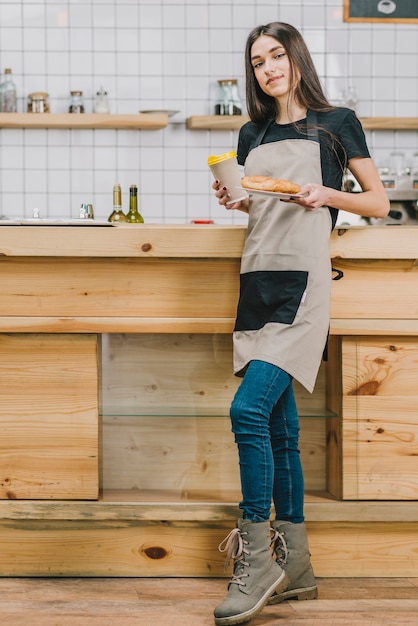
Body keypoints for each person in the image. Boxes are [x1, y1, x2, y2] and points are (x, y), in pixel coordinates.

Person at [212, 21, 389, 626]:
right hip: (256, 281)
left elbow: (378, 203)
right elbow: (256, 204)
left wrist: (326, 195)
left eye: (277, 56)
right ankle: (298, 568)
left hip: (305, 284)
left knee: (247, 412)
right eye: (258, 61)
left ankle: (258, 559)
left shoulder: (337, 123)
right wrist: (236, 199)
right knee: (282, 430)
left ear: (296, 59)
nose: (268, 69)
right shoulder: (250, 131)